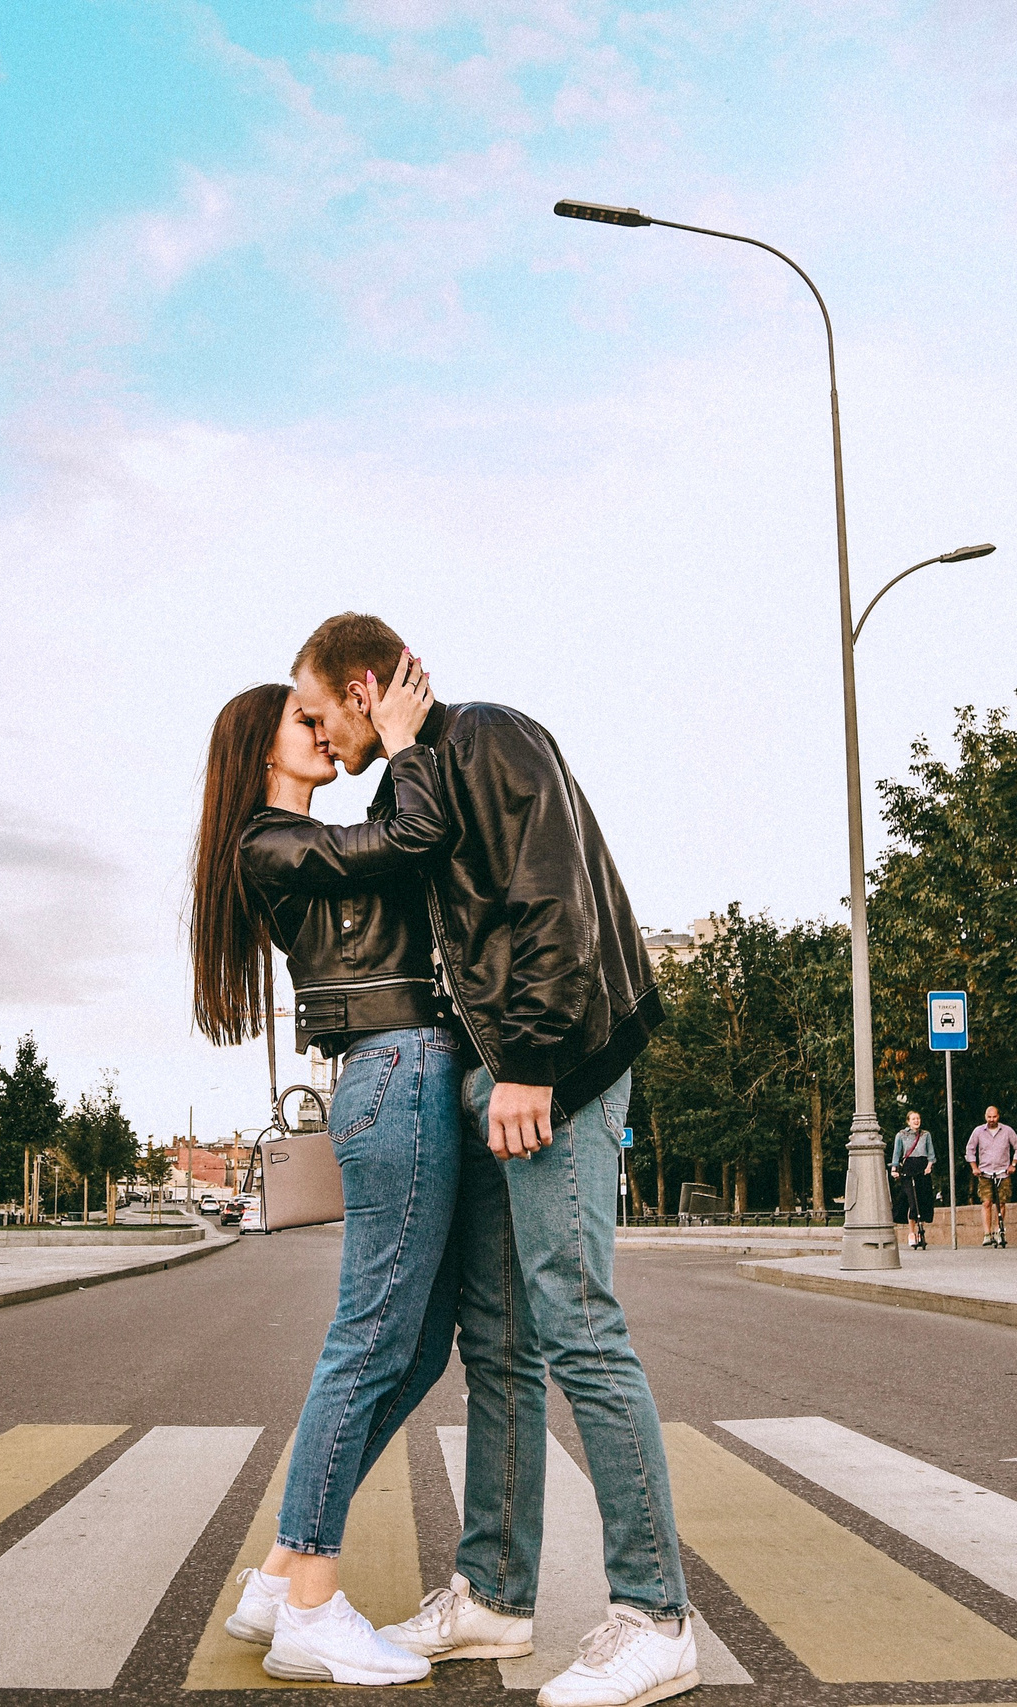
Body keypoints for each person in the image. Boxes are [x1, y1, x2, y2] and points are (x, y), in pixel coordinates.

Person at [290, 614, 700, 1707]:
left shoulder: (490, 738)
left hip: (550, 1061)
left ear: (365, 685)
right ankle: (493, 1596)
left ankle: (656, 1615)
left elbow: (548, 896)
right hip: (490, 1075)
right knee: (501, 1342)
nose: (321, 741)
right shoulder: (414, 780)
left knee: (578, 1323)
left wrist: (528, 1065)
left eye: (323, 713)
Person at [189, 653, 454, 1686]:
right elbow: (406, 837)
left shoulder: (292, 839)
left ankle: (278, 1572)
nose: (325, 729)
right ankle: (311, 1604)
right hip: (395, 1072)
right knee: (369, 1338)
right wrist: (403, 743)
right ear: (262, 746)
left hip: (402, 1070)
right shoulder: (272, 843)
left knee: (418, 1343)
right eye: (306, 718)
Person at [966, 1106, 1017, 1248]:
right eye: (989, 1117)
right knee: (986, 1202)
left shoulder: (1007, 1131)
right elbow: (970, 1149)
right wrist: (974, 1167)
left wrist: (1013, 1164)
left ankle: (999, 1230)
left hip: (1003, 1172)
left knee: (1001, 1202)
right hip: (985, 1172)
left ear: (999, 1116)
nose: (992, 1120)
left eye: (994, 1117)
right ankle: (987, 1233)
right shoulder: (978, 1131)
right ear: (985, 1117)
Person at [890, 1109, 936, 1250]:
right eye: (913, 1119)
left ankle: (921, 1231)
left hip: (922, 1168)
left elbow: (931, 1153)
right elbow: (897, 1154)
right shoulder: (901, 1135)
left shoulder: (925, 1135)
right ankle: (911, 1232)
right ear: (908, 1121)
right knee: (912, 1201)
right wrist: (894, 1169)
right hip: (908, 1168)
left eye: (918, 1118)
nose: (916, 1121)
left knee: (923, 1199)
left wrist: (929, 1166)